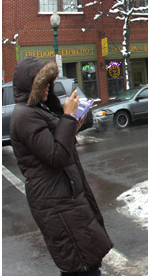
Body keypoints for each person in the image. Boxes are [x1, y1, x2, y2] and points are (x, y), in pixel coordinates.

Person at [10, 56, 114, 275]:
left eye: (49, 83)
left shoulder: (37, 110)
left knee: (88, 257)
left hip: (64, 197)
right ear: (31, 86)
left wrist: (72, 122)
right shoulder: (25, 115)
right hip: (56, 201)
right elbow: (56, 156)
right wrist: (66, 116)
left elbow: (56, 146)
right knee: (81, 262)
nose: (49, 88)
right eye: (44, 83)